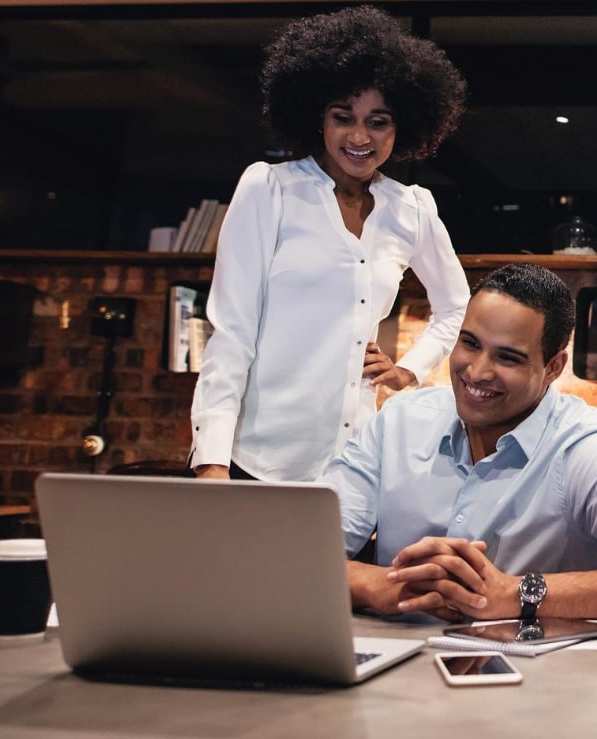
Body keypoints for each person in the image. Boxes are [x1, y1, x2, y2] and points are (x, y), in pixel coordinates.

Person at [324, 263, 597, 621]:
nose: (477, 372)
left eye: (508, 357)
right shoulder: (399, 421)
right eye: (470, 343)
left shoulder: (581, 449)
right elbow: (294, 552)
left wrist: (518, 594)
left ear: (553, 367)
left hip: (540, 693)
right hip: (391, 687)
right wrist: (379, 584)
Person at [190, 6, 470, 482]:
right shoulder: (269, 189)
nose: (359, 136)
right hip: (259, 460)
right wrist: (212, 460)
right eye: (344, 117)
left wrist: (409, 370)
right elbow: (232, 333)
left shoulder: (412, 209)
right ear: (317, 118)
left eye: (378, 121)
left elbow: (457, 306)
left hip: (356, 464)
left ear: (401, 128)